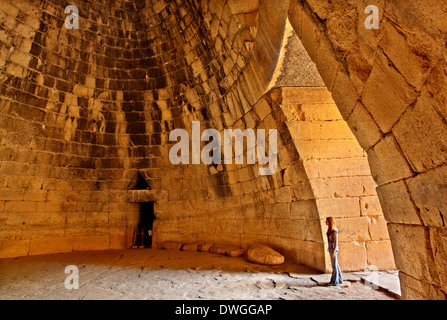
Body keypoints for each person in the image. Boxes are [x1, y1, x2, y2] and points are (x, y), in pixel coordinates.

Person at [326, 217, 343, 286]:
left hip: (333, 249)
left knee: (334, 266)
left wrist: (334, 251)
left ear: (329, 222)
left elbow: (336, 242)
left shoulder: (334, 231)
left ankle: (334, 281)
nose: (325, 222)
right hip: (331, 248)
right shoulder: (330, 230)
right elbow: (330, 241)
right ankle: (339, 280)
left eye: (326, 221)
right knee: (336, 265)